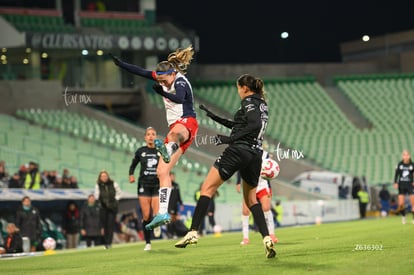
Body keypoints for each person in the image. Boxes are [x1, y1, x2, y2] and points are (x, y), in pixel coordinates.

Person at [174, 74, 276, 258]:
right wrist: (215, 117)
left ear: (244, 88)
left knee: (207, 189)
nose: (238, 92)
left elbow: (253, 124)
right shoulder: (262, 104)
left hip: (239, 150)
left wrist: (230, 139)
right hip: (255, 154)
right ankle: (267, 238)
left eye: (238, 88)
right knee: (252, 200)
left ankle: (193, 232)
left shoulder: (248, 102)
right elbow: (239, 124)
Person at [111, 45, 198, 230]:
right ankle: (163, 213)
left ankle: (167, 149)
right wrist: (121, 64)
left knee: (175, 134)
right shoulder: (163, 75)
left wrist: (163, 92)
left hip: (187, 123)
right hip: (175, 129)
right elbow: (141, 71)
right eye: (160, 81)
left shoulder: (180, 82)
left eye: (165, 81)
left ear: (172, 74)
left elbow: (180, 99)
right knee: (161, 172)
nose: (163, 83)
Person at [128, 126, 160, 251]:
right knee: (146, 216)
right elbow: (133, 165)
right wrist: (131, 175)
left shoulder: (160, 150)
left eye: (153, 134)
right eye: (149, 134)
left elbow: (167, 164)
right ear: (145, 137)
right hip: (144, 186)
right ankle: (148, 242)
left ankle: (157, 224)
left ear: (156, 136)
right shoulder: (140, 151)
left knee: (156, 213)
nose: (151, 136)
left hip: (156, 185)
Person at [237, 151, 277, 245]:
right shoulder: (245, 151)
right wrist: (238, 182)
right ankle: (245, 238)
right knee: (245, 211)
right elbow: (240, 167)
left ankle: (272, 234)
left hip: (263, 185)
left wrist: (270, 188)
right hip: (249, 185)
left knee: (266, 208)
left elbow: (269, 170)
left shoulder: (265, 154)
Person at [94, 170, 122, 249]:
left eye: (105, 176)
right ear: (100, 177)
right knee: (105, 226)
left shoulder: (113, 183)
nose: (104, 177)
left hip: (112, 207)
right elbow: (96, 195)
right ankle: (106, 243)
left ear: (108, 176)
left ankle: (109, 243)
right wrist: (99, 203)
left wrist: (116, 200)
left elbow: (119, 193)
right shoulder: (98, 185)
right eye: (102, 176)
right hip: (103, 207)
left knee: (110, 225)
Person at [393, 149, 414, 224]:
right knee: (401, 204)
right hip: (401, 185)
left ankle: (413, 219)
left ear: (409, 156)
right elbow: (396, 174)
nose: (405, 156)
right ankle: (403, 217)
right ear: (402, 156)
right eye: (404, 155)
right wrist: (395, 182)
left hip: (410, 185)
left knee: (413, 203)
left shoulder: (412, 165)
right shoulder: (399, 164)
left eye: (407, 155)